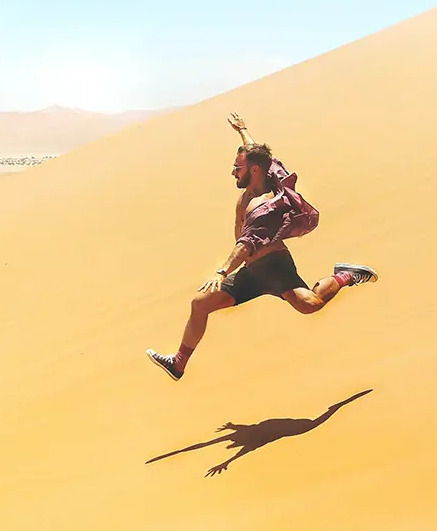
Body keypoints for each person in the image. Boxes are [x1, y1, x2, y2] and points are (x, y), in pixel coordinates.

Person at [145, 112, 378, 381]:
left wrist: (221, 272)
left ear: (253, 171)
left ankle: (346, 274)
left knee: (310, 304)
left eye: (238, 168)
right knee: (200, 304)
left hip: (274, 267)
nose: (233, 171)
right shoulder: (265, 172)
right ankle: (178, 364)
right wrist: (242, 131)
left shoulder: (263, 206)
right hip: (252, 272)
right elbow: (258, 155)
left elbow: (245, 246)